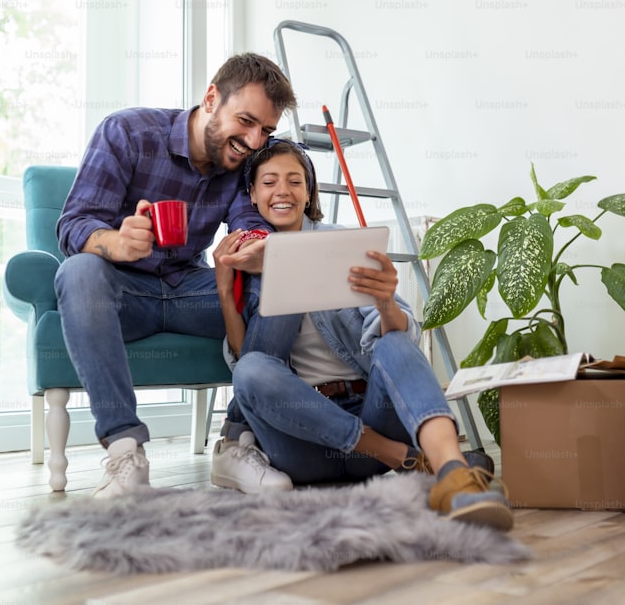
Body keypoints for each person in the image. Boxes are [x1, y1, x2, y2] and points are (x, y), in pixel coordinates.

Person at [211, 138, 514, 530]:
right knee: (250, 369)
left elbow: (396, 337)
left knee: (394, 340)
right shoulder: (241, 256)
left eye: (294, 181)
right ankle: (402, 457)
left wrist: (387, 303)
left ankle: (453, 473)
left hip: (369, 412)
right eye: (269, 182)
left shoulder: (341, 243)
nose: (282, 191)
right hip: (304, 442)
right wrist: (223, 288)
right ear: (252, 195)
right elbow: (245, 370)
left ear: (308, 193)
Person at [55, 53, 296, 498]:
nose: (253, 140)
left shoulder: (244, 162)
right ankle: (125, 452)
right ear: (210, 98)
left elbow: (249, 223)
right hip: (124, 291)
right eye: (245, 121)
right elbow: (73, 225)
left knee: (279, 279)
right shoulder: (127, 132)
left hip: (192, 290)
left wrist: (256, 245)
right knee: (80, 270)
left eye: (265, 131)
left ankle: (236, 443)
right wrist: (115, 242)